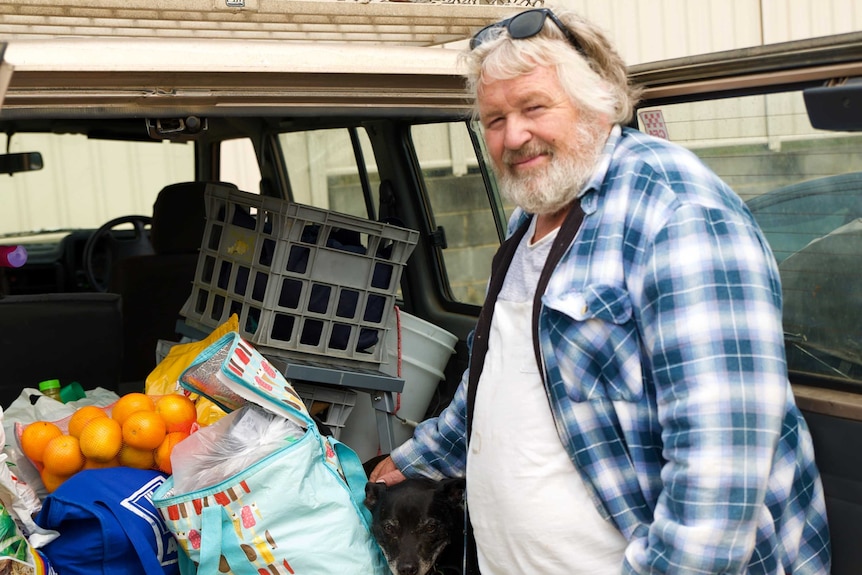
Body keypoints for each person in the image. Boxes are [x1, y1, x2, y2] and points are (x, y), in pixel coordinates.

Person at [370, 6, 831, 574]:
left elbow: (720, 471)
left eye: (534, 107)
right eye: (493, 119)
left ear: (600, 103)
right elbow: (504, 381)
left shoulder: (677, 213)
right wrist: (413, 459)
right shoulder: (531, 217)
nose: (513, 135)